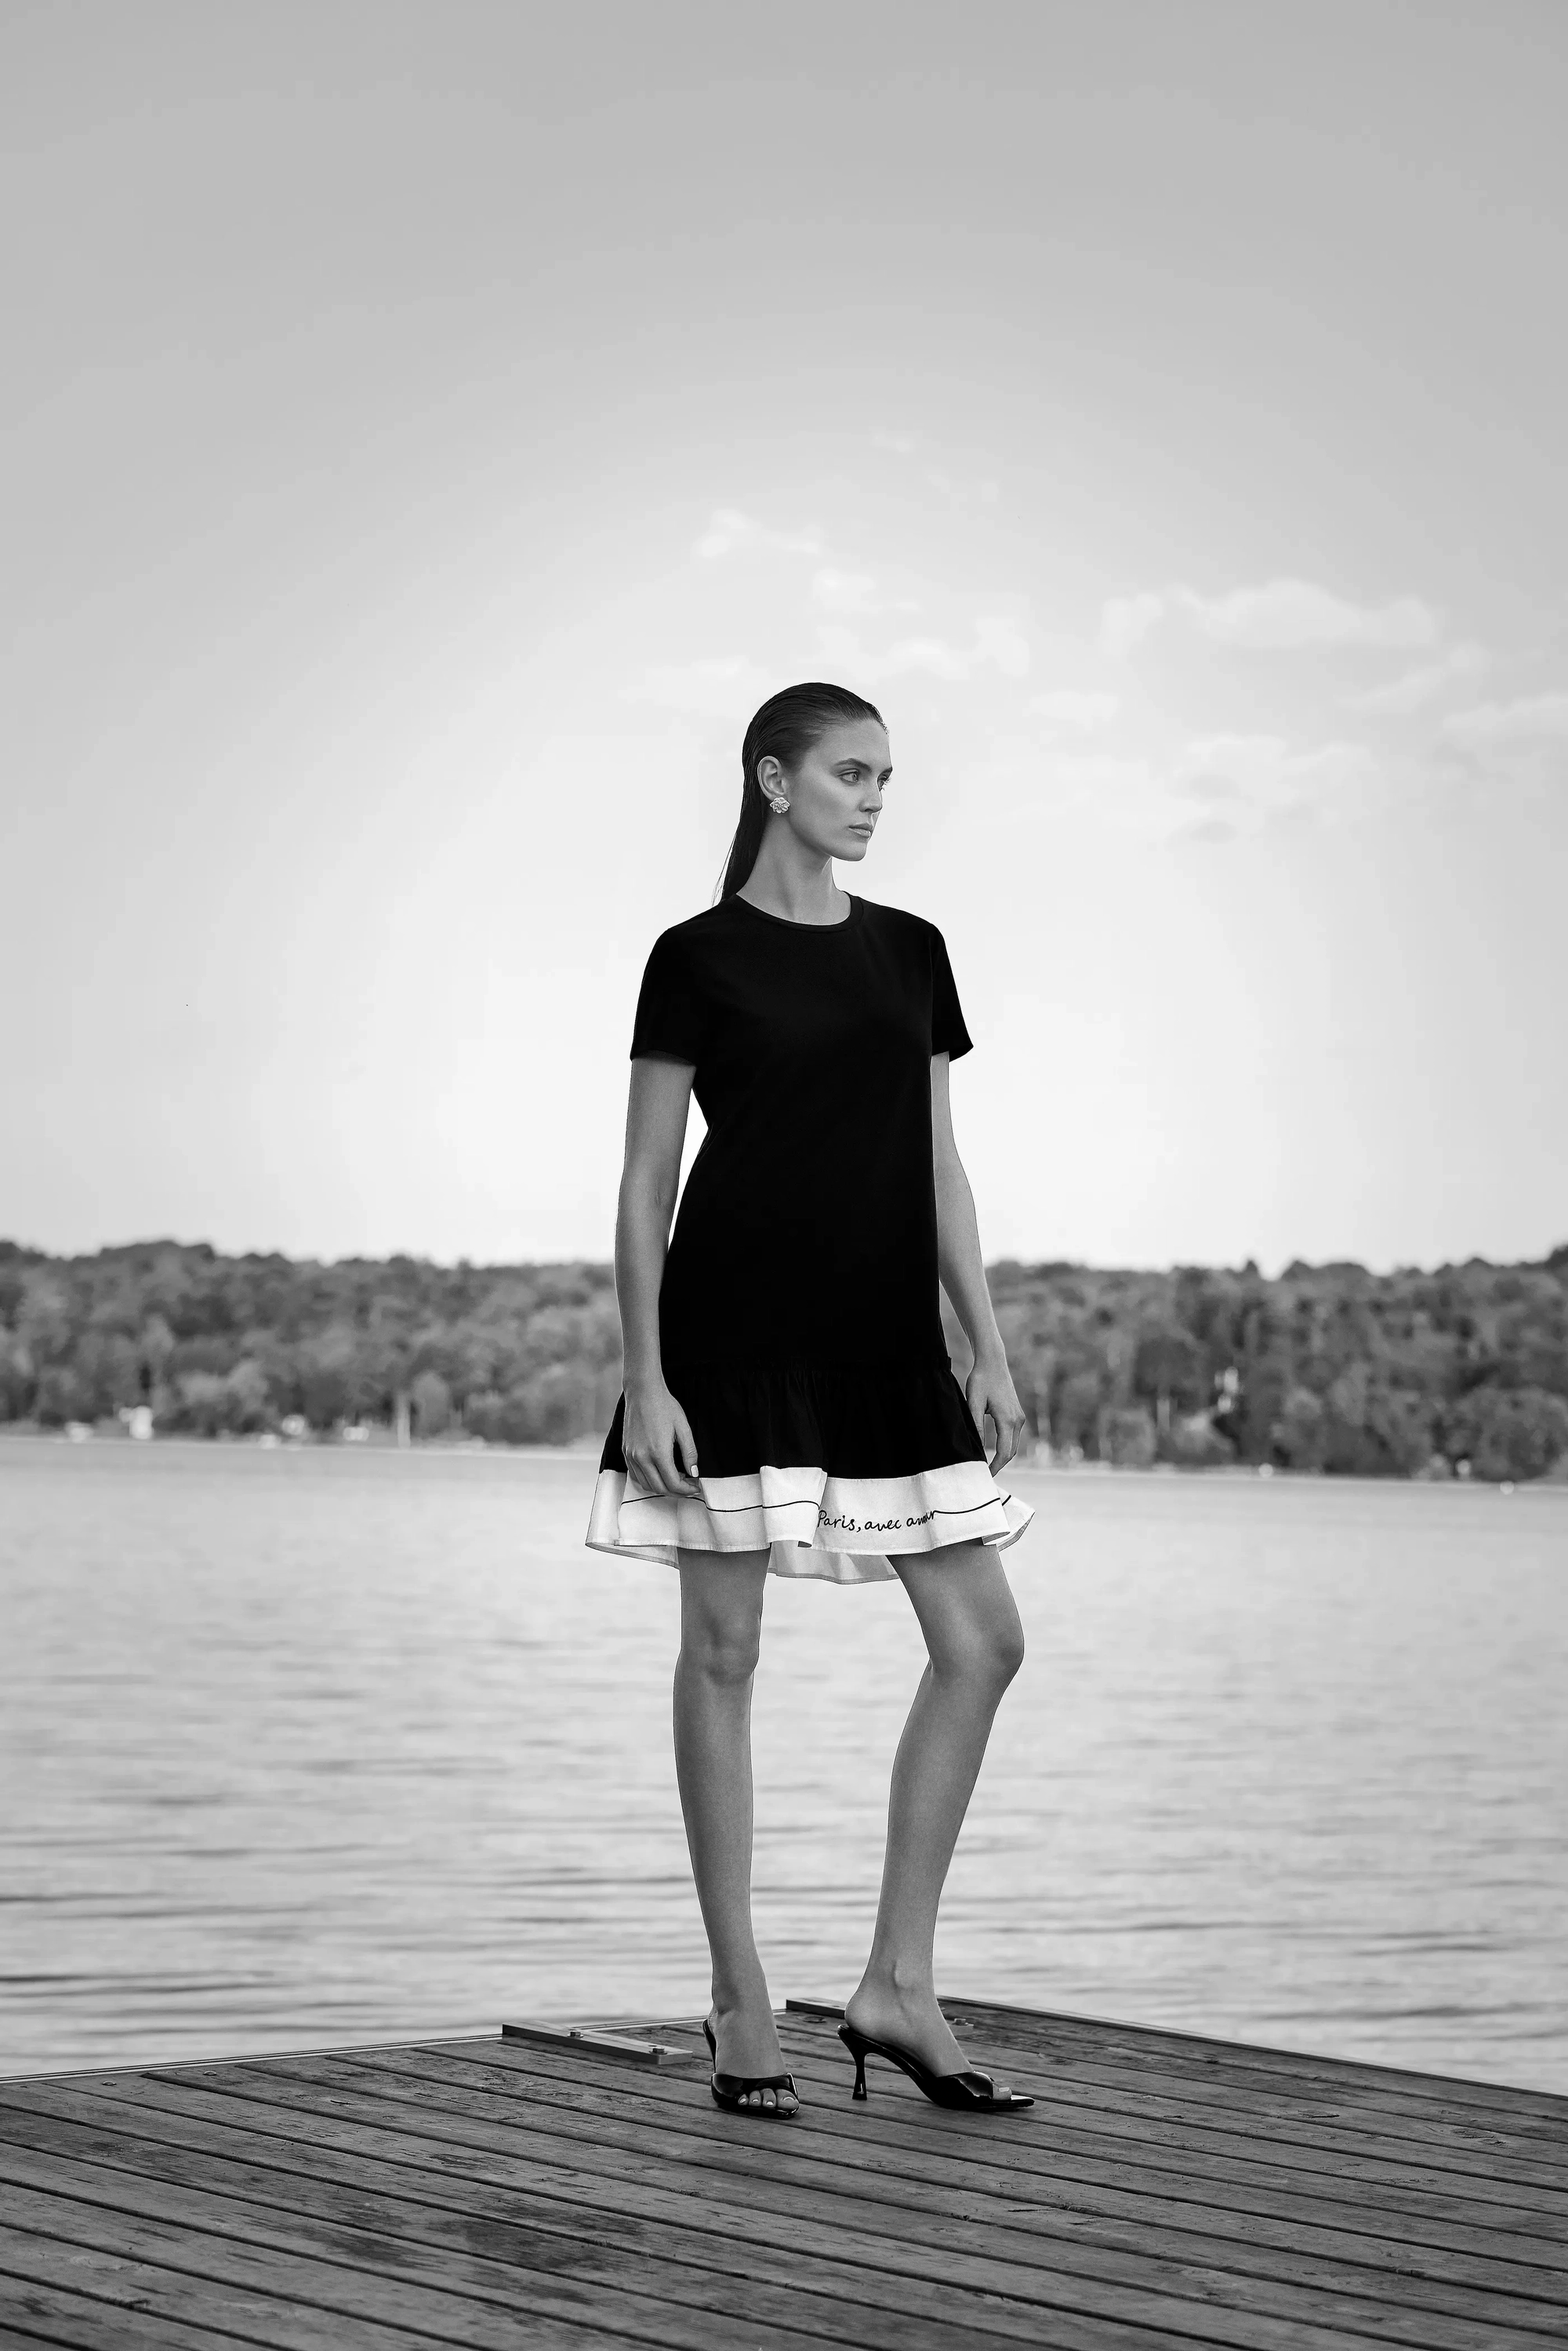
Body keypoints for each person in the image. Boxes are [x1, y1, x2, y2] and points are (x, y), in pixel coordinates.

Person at [586, 682, 1035, 2120]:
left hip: (889, 1351)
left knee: (983, 1640)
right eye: (851, 773)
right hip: (728, 1347)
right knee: (722, 1652)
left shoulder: (913, 952)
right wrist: (646, 1374)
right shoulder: (695, 956)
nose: (875, 799)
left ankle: (897, 1981)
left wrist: (986, 1343)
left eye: (886, 778)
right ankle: (738, 1995)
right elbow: (647, 1183)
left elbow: (939, 1165)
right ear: (774, 781)